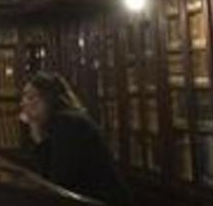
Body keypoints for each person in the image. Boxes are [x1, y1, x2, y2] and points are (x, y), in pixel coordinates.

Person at [20, 71, 131, 206]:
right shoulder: (57, 124)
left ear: (49, 98)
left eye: (31, 97)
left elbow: (59, 183)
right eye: (24, 96)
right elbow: (49, 180)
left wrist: (37, 133)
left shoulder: (68, 123)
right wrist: (36, 129)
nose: (23, 103)